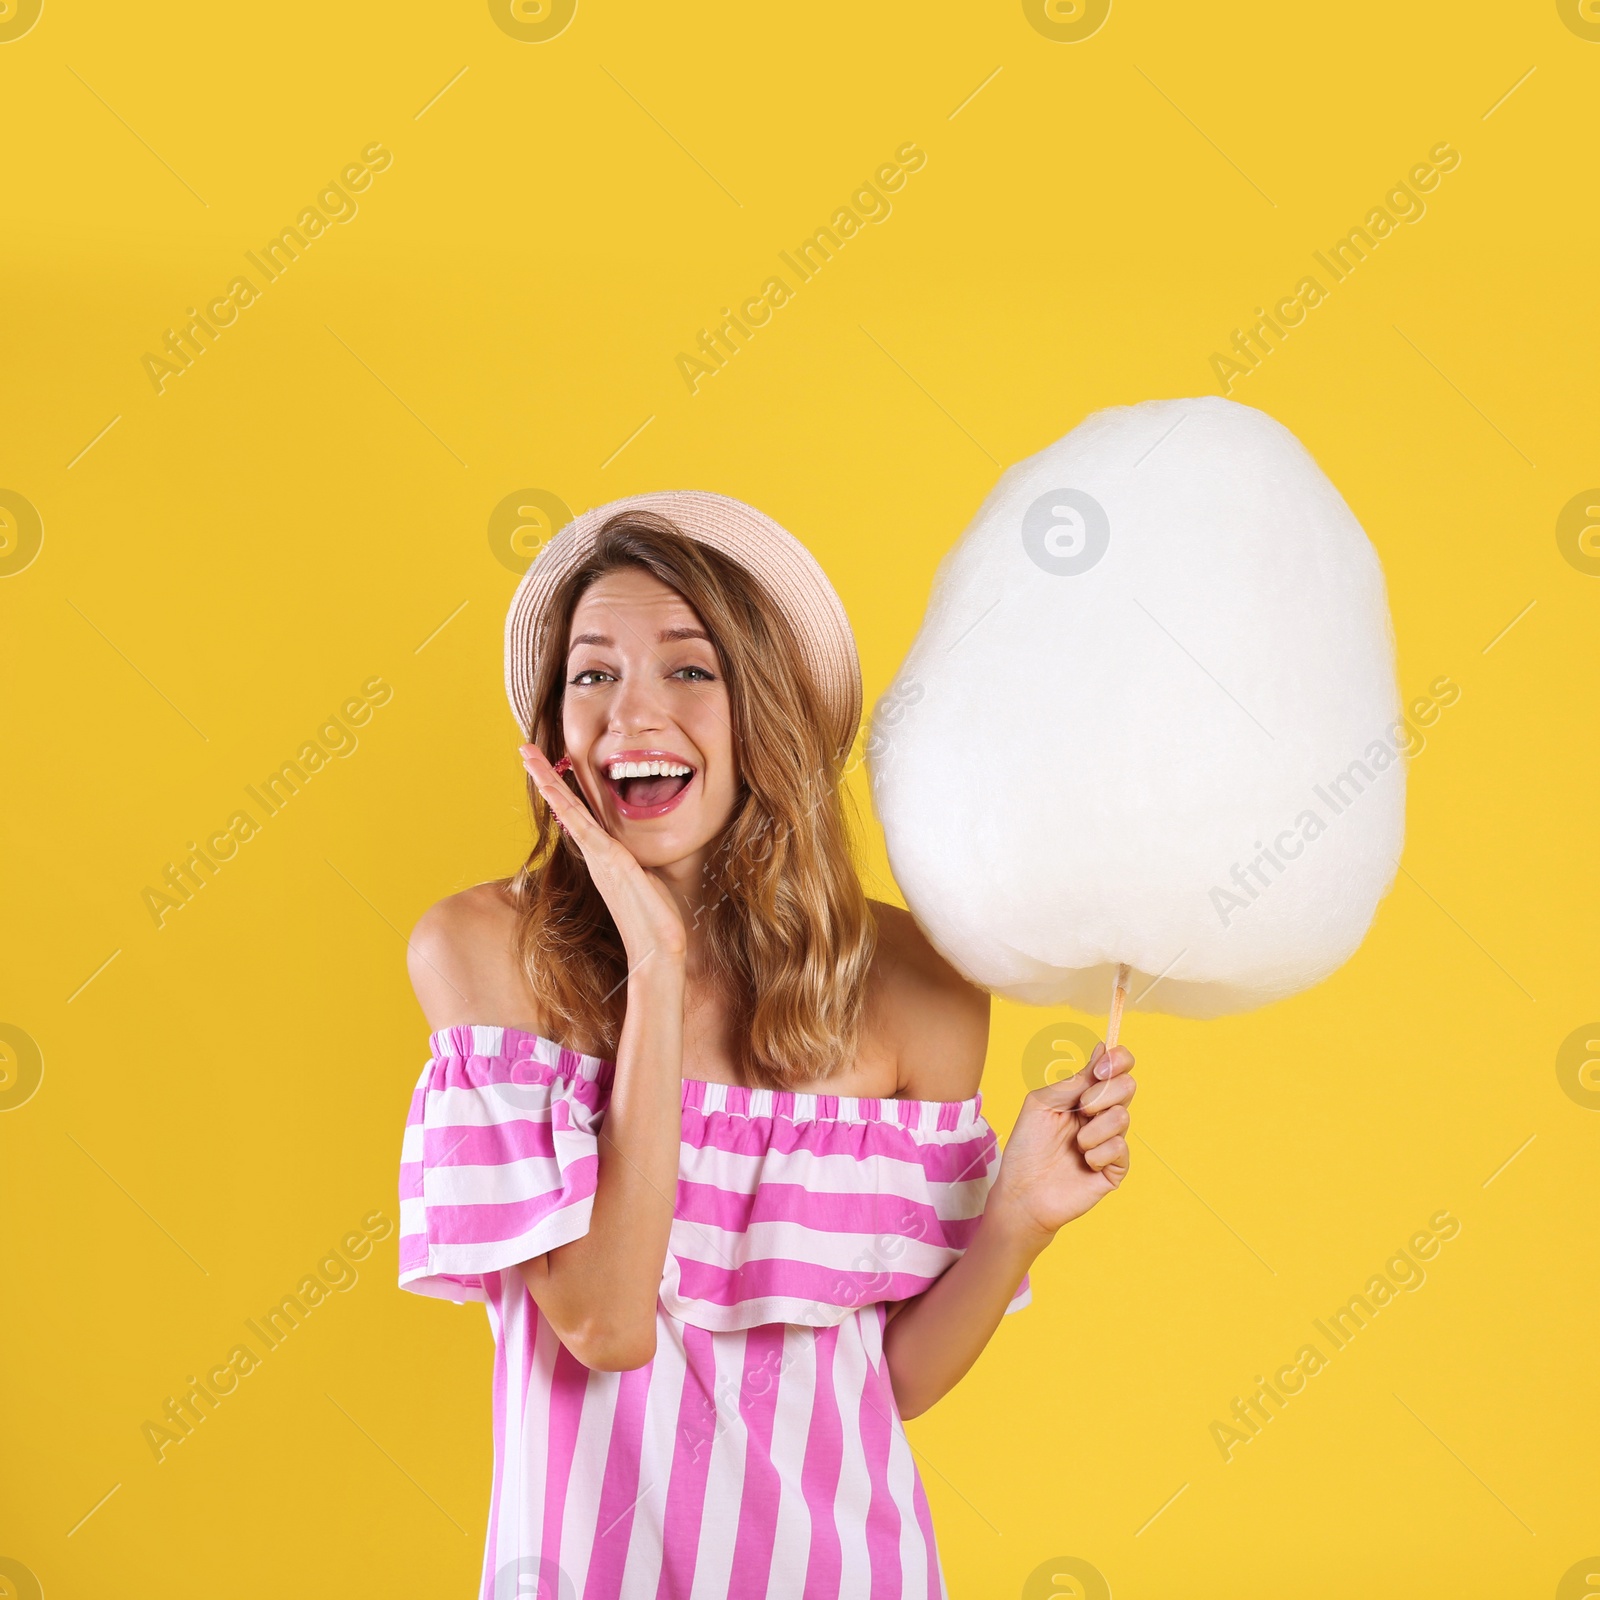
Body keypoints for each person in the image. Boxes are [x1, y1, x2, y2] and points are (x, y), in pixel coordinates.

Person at [397, 491, 1136, 1600]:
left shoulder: (917, 984)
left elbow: (889, 1380)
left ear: (768, 710)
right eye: (591, 673)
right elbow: (601, 1321)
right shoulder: (486, 953)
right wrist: (652, 960)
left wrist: (1016, 1220)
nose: (629, 713)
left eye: (689, 669)